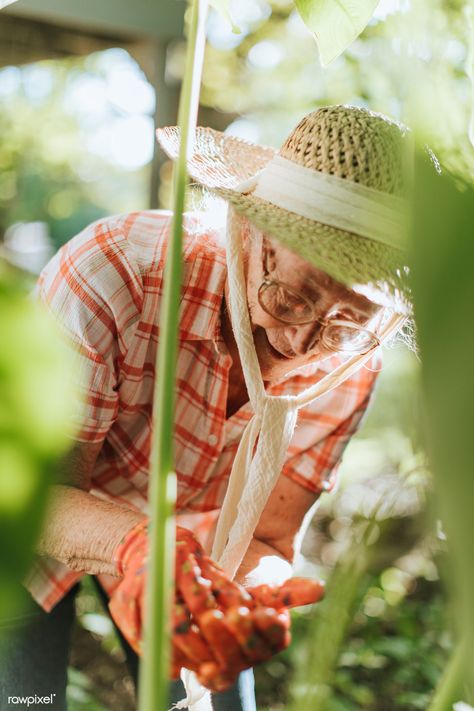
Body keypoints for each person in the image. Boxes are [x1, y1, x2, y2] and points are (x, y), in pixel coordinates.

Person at [0, 105, 412, 711]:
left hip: (188, 551)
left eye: (344, 322)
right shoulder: (114, 276)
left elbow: (268, 538)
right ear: (247, 231)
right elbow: (43, 496)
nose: (301, 345)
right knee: (27, 700)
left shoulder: (348, 363)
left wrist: (251, 596)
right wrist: (139, 546)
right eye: (293, 297)